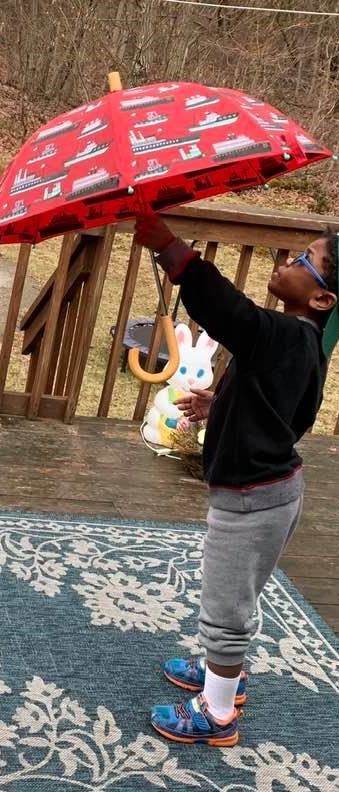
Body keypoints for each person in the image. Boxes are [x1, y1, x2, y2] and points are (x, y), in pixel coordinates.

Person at [134, 212, 339, 746]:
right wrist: (221, 403)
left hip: (253, 502)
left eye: (304, 261)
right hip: (271, 493)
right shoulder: (300, 345)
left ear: (322, 300)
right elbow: (281, 408)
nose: (287, 262)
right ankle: (223, 673)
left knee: (225, 607)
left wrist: (172, 250)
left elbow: (230, 313)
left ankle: (218, 712)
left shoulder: (282, 336)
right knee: (234, 594)